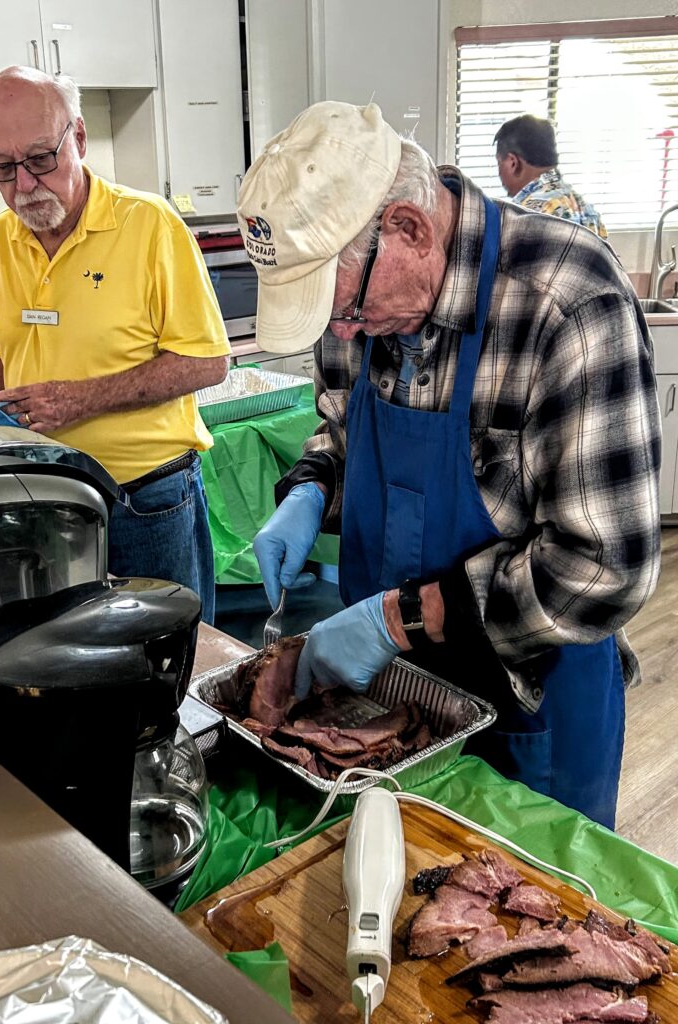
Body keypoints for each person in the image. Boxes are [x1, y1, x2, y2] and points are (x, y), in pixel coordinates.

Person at [240, 101, 661, 829]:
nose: (342, 333)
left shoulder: (565, 301)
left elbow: (605, 568)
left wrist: (399, 618)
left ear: (409, 228)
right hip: (388, 689)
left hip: (531, 697)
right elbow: (339, 430)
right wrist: (310, 489)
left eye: (348, 312)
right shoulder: (361, 302)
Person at [0, 66, 230, 621]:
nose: (24, 185)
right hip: (42, 496)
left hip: (143, 499)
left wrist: (79, 399)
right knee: (65, 660)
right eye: (3, 168)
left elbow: (208, 361)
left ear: (77, 138)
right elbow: (3, 351)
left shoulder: (149, 225)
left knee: (165, 662)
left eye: (40, 159)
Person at [494, 114, 607, 238]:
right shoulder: (585, 209)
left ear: (513, 162)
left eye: (500, 163)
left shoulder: (527, 217)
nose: (499, 173)